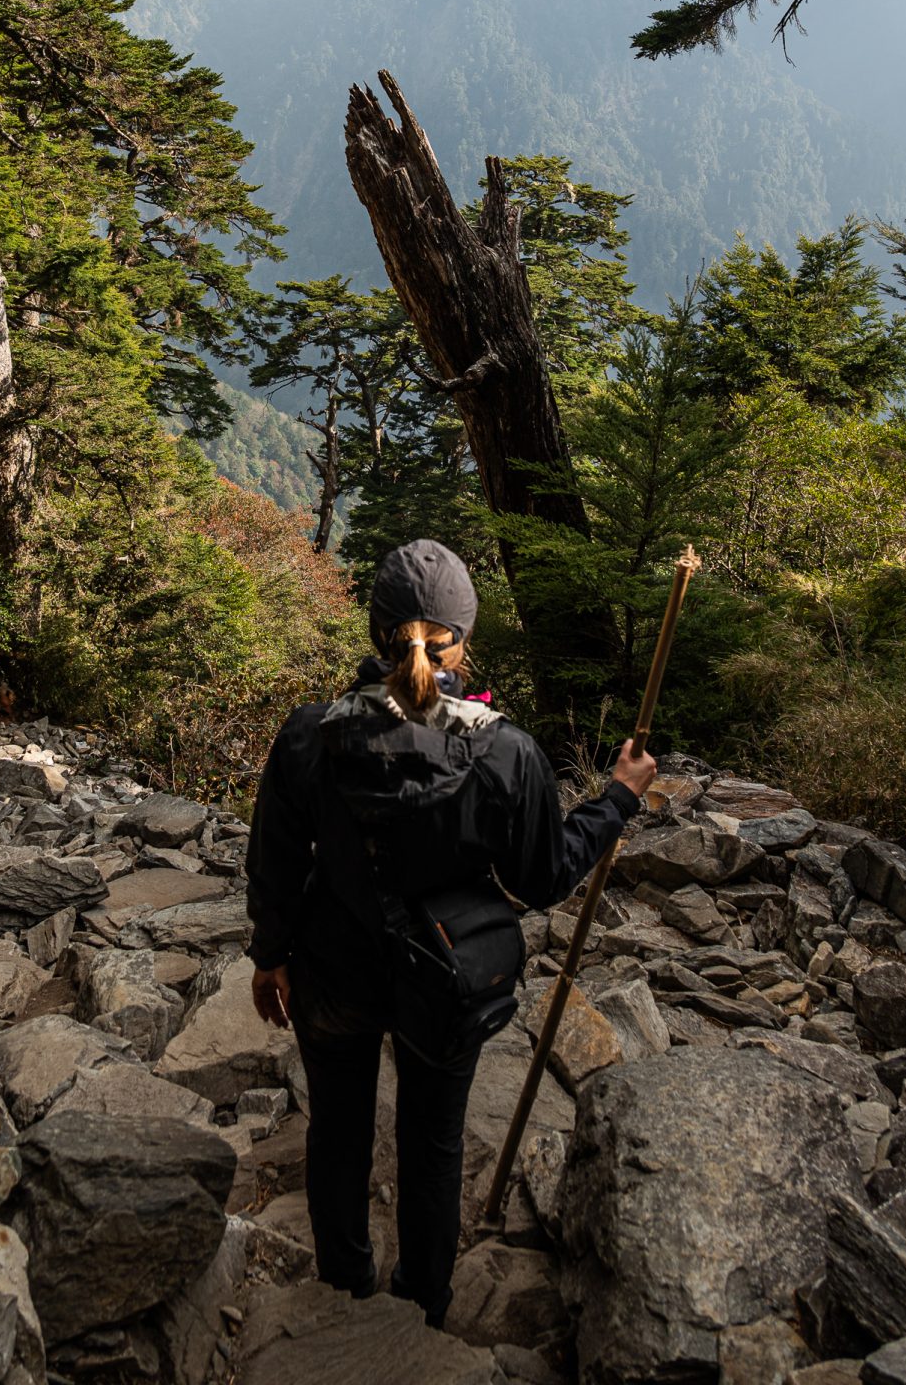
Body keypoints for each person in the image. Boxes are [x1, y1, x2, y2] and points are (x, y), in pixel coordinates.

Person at [244, 537, 657, 1331]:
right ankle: (423, 1303)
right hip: (447, 977)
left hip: (331, 966)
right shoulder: (505, 752)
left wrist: (270, 957)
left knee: (337, 1131)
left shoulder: (309, 736)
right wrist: (616, 800)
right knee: (432, 1143)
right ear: (462, 639)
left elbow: (273, 858)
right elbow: (541, 879)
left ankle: (342, 1290)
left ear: (375, 632)